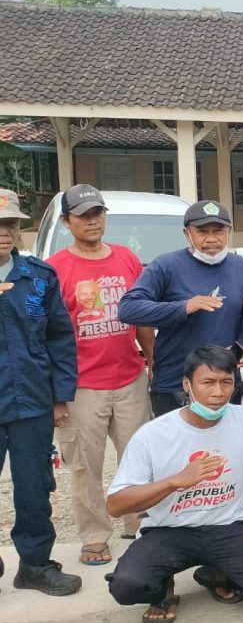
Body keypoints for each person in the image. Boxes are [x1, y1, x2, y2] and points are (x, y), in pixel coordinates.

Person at [105, 346, 243, 623]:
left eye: (226, 382)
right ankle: (163, 588)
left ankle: (217, 572)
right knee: (127, 586)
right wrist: (174, 481)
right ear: (188, 385)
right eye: (208, 383)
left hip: (228, 527)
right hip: (168, 531)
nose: (218, 393)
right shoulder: (153, 435)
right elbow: (115, 505)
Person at [46, 185, 154, 567]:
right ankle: (94, 536)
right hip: (81, 386)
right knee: (85, 466)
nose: (93, 221)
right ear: (66, 222)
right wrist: (56, 392)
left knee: (140, 458)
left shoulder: (127, 259)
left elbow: (141, 316)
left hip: (129, 378)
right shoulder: (55, 268)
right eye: (83, 215)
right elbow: (48, 333)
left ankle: (138, 523)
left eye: (98, 213)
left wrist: (152, 360)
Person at [0, 188, 82, 596]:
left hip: (30, 402)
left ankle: (34, 564)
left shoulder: (38, 276)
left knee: (34, 487)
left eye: (10, 224)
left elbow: (59, 339)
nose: (4, 233)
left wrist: (60, 395)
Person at [120, 200, 243, 416]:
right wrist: (184, 307)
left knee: (223, 448)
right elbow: (128, 309)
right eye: (202, 231)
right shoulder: (166, 266)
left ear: (229, 231)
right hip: (175, 384)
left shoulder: (239, 266)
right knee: (177, 449)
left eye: (219, 230)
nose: (211, 238)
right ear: (187, 234)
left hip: (224, 383)